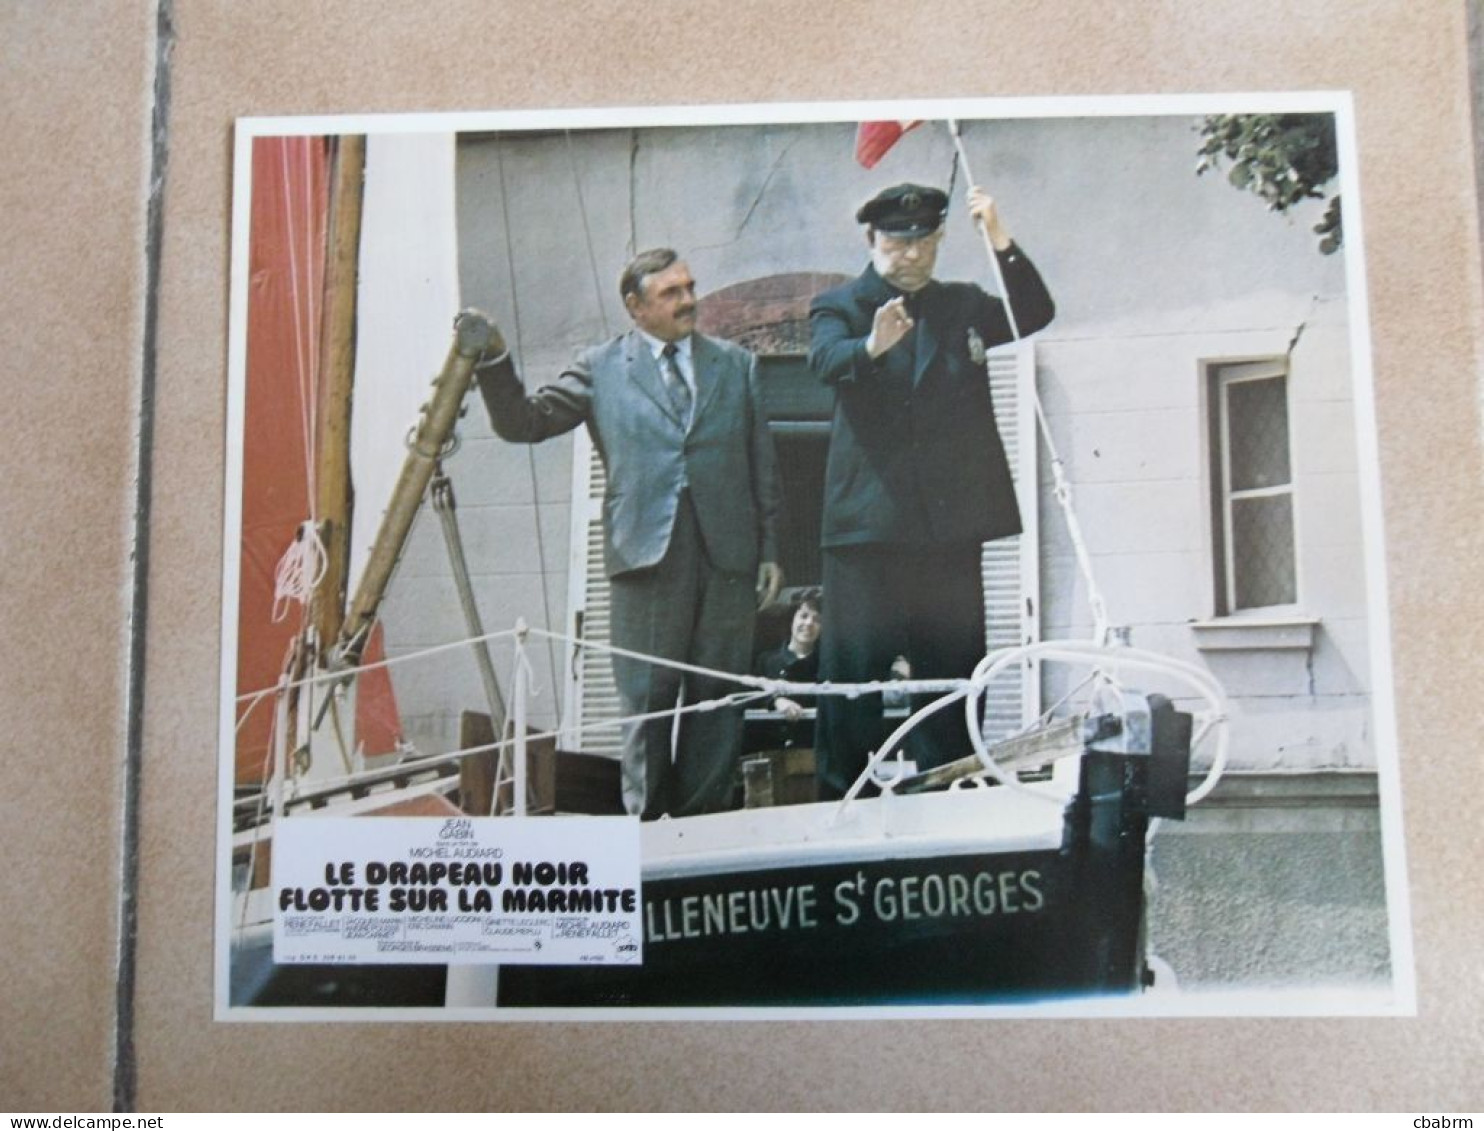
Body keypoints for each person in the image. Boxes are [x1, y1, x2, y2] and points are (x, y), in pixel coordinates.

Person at [473, 248, 783, 819]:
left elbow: (761, 462)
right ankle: (645, 835)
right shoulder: (601, 367)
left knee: (717, 702)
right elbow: (525, 424)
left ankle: (703, 829)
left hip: (727, 558)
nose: (688, 301)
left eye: (689, 287)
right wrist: (494, 363)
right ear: (635, 307)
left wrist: (770, 550)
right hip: (645, 558)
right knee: (646, 701)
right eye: (671, 293)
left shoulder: (735, 365)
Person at [808, 182, 1055, 798]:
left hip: (946, 530)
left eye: (924, 241)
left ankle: (946, 791)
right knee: (853, 679)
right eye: (898, 240)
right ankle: (844, 798)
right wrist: (871, 347)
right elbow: (824, 361)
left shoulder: (963, 304)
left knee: (953, 671)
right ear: (871, 240)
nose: (912, 254)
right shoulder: (839, 304)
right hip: (868, 531)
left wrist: (998, 234)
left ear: (940, 240)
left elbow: (1034, 312)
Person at [753, 590, 822, 746]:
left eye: (817, 619)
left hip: (810, 750)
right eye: (803, 616)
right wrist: (776, 702)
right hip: (770, 748)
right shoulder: (767, 661)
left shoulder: (826, 665)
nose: (809, 623)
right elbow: (750, 697)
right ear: (792, 620)